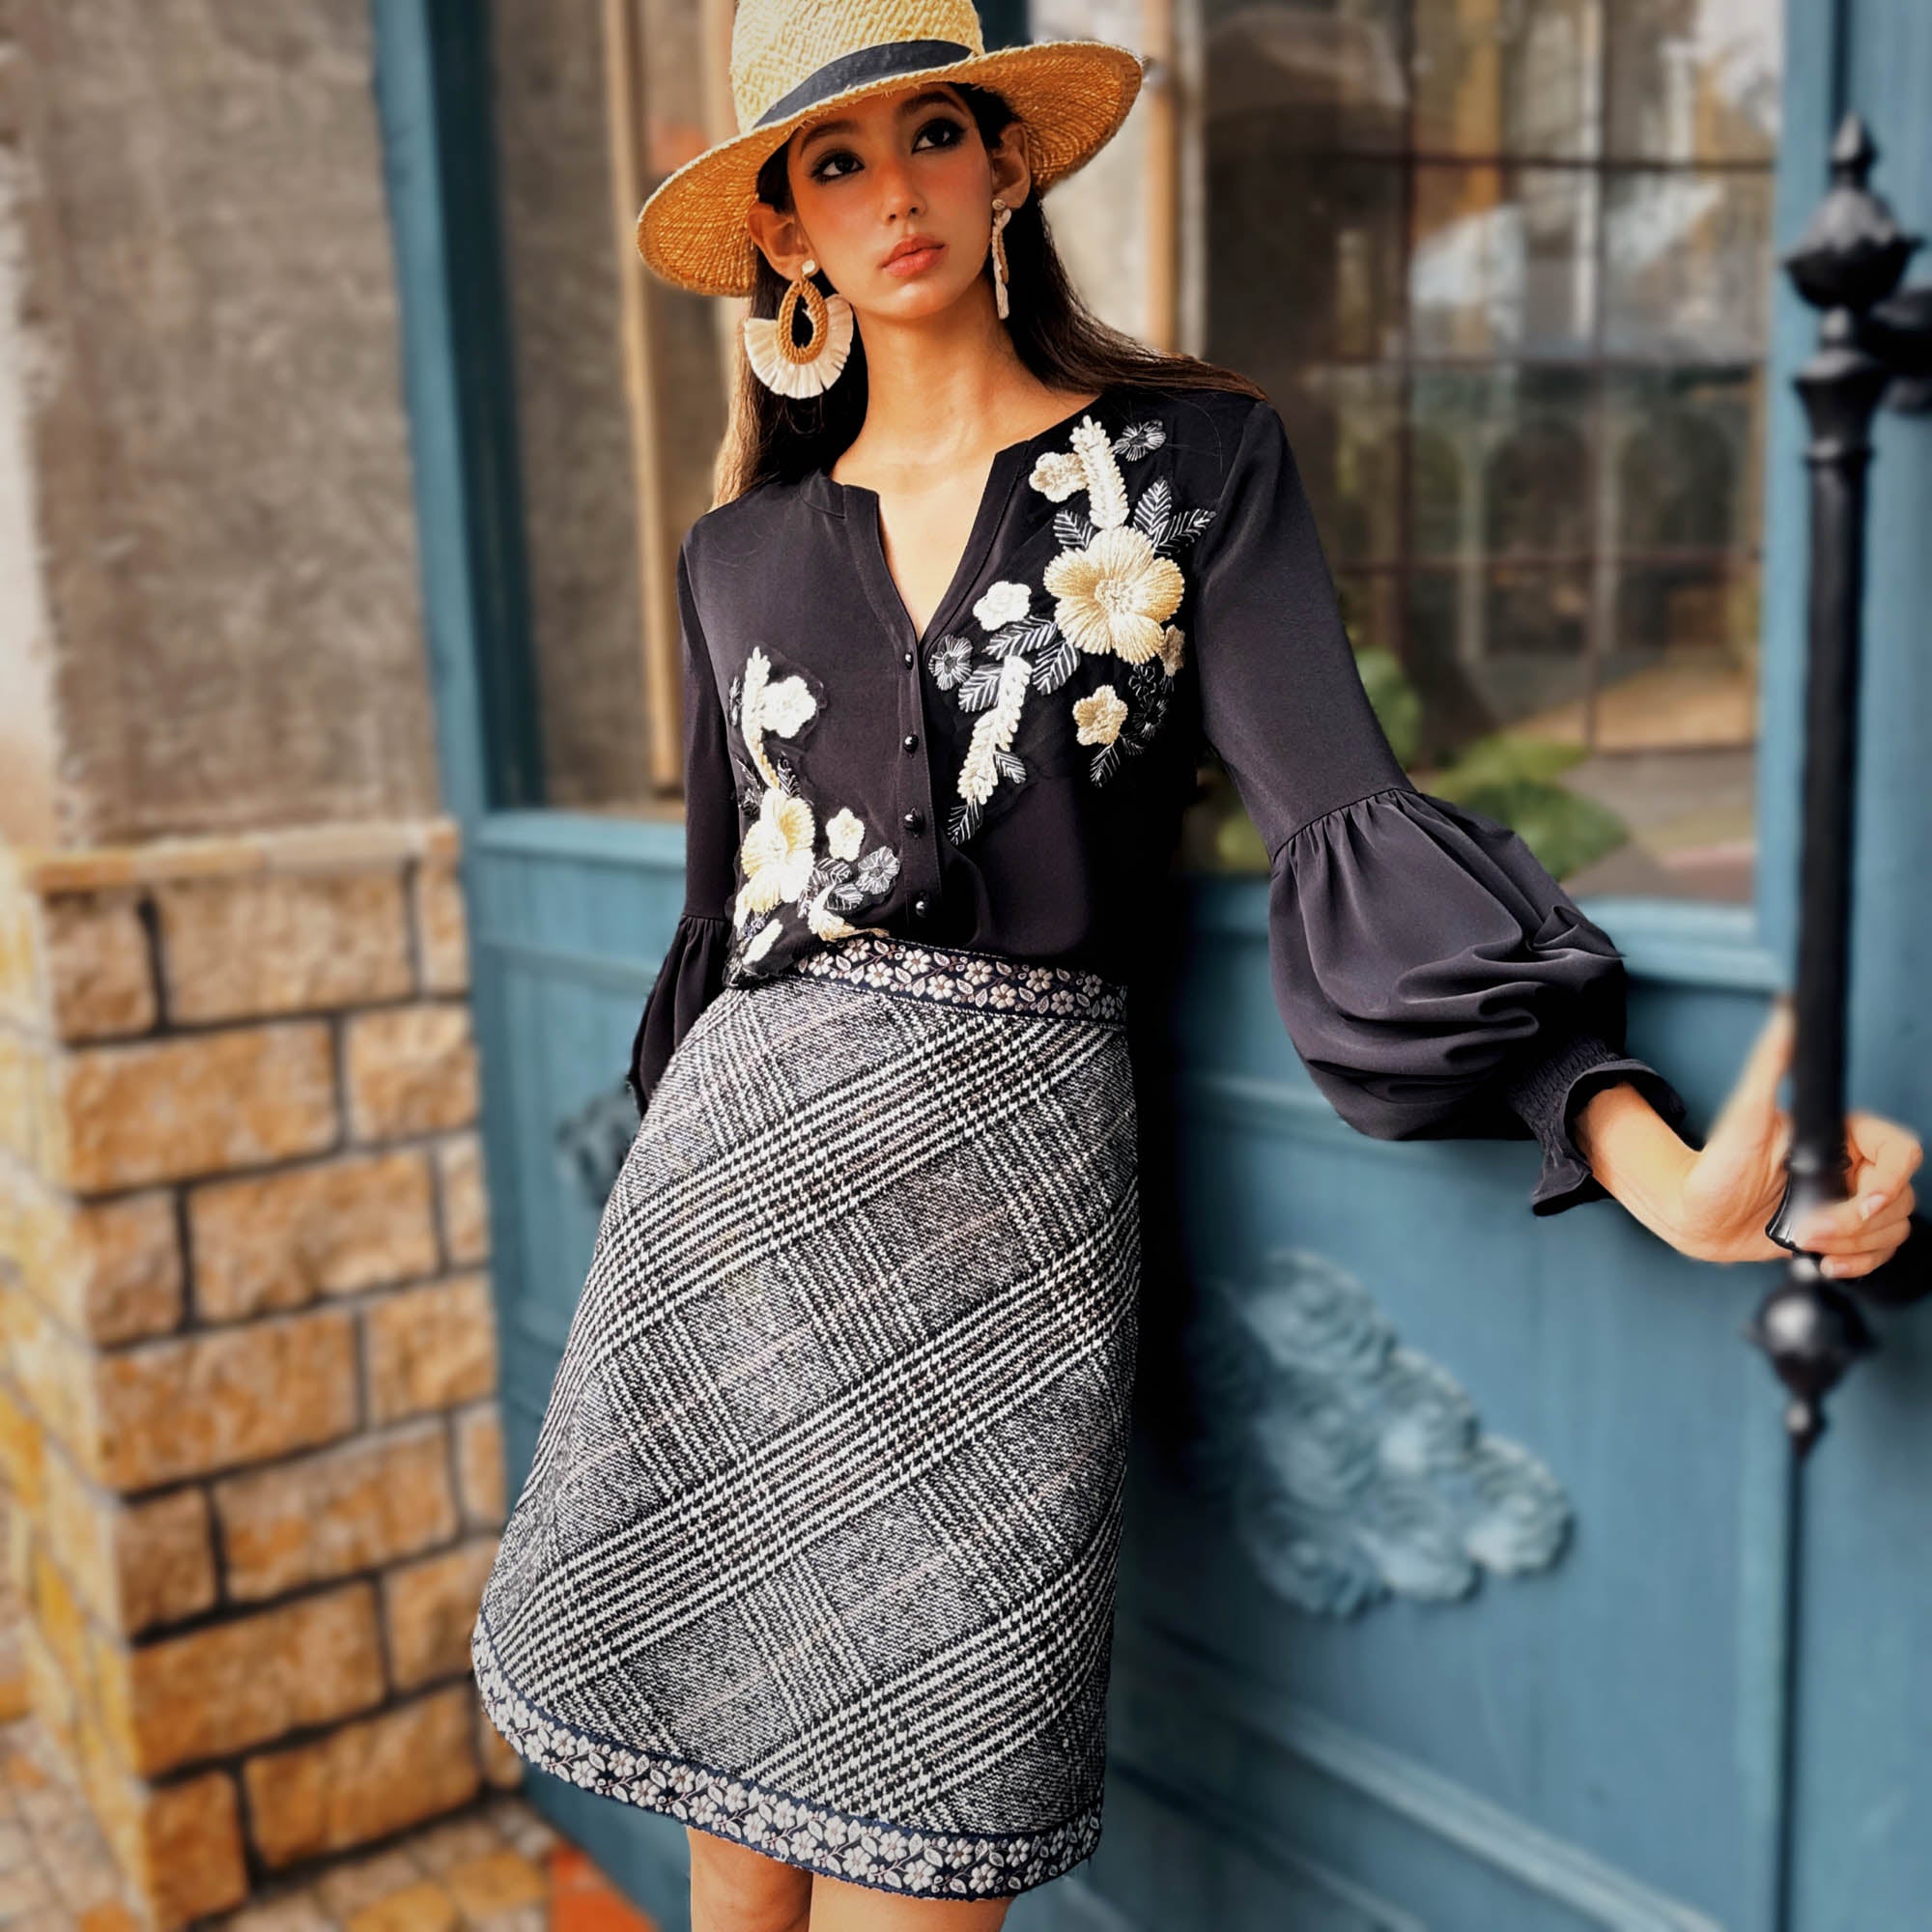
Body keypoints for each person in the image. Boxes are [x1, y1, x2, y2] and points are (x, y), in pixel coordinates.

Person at [469, 5, 1923, 1928]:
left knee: (923, 1858)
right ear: (784, 237)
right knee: (729, 1876)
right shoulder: (732, 557)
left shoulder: (1186, 466)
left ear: (1005, 161)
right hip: (727, 1229)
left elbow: (1346, 821)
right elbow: (717, 930)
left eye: (930, 132)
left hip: (1004, 1234)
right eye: (833, 162)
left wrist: (1647, 1156)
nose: (893, 190)